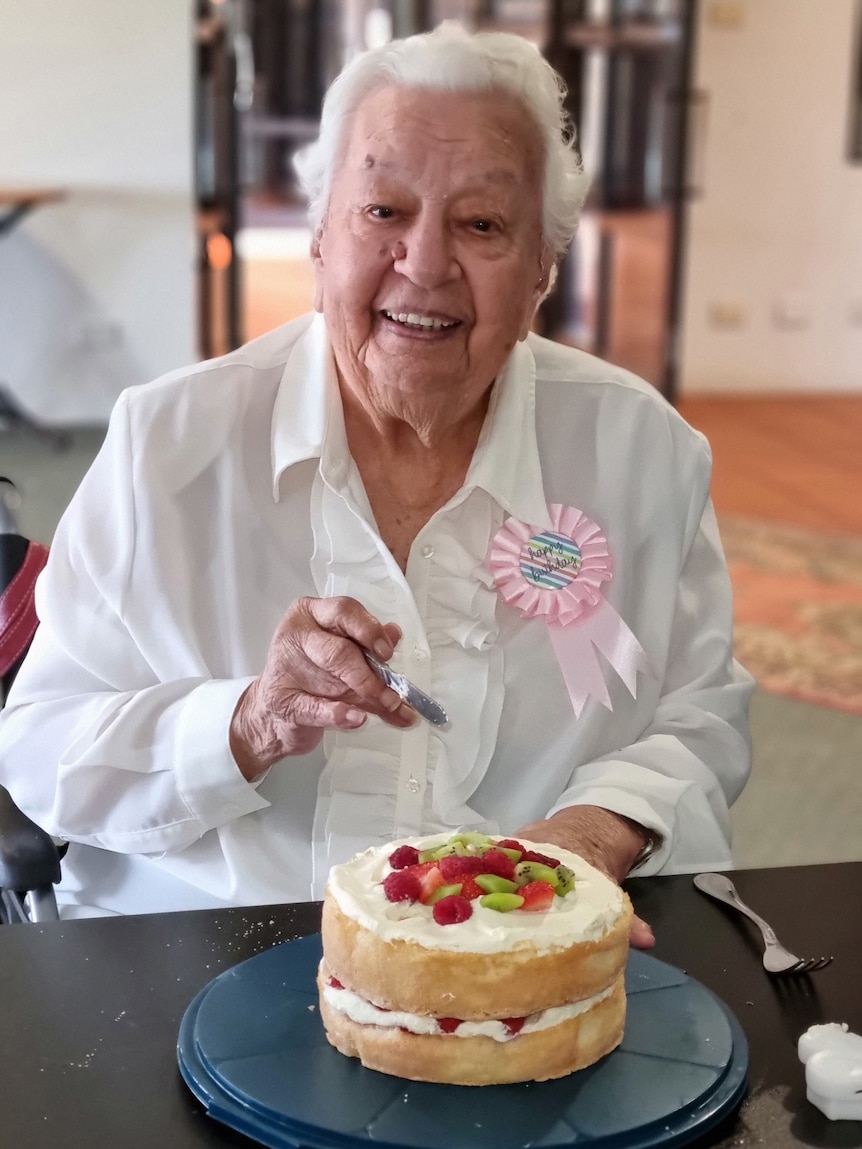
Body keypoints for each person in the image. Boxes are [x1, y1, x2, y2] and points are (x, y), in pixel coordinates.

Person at [0, 23, 753, 941]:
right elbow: (41, 749)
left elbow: (701, 715)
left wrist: (593, 835)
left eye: (482, 223)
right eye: (383, 212)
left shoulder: (644, 453)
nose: (426, 265)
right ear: (319, 240)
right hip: (204, 946)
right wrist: (247, 721)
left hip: (508, 958)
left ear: (542, 273)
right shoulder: (167, 445)